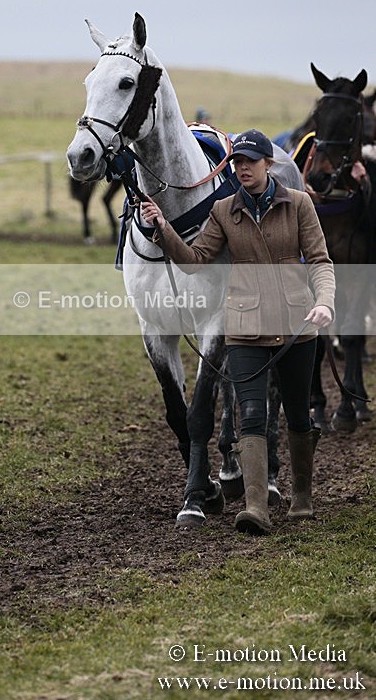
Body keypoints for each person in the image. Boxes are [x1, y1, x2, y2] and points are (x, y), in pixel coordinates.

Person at [141, 129, 335, 535]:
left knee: (297, 415)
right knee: (250, 415)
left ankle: (301, 496)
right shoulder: (223, 211)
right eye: (237, 162)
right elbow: (194, 260)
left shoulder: (299, 204)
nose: (242, 168)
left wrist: (325, 301)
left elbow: (320, 259)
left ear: (269, 164)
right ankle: (255, 506)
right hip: (245, 326)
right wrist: (162, 228)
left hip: (295, 322)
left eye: (250, 161)